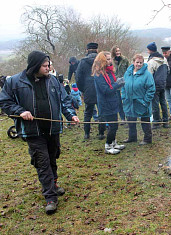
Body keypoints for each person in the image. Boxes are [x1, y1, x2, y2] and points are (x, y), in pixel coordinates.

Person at [0, 51, 80, 215]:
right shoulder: (15, 82)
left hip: (53, 129)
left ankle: (54, 184)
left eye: (48, 65)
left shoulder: (53, 81)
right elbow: (5, 101)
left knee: (52, 158)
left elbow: (64, 100)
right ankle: (50, 197)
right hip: (32, 131)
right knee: (42, 163)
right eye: (45, 65)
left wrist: (71, 114)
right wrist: (20, 111)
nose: (48, 68)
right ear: (35, 66)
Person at [92, 51, 126, 154]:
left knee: (115, 124)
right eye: (107, 59)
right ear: (101, 61)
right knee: (113, 126)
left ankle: (114, 143)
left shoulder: (109, 72)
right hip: (106, 103)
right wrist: (118, 84)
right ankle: (108, 145)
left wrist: (118, 83)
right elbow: (106, 90)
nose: (110, 61)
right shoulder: (99, 75)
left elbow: (112, 85)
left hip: (113, 101)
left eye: (110, 58)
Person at [122, 54, 155, 145]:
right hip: (129, 101)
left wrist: (145, 101)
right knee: (131, 120)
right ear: (133, 62)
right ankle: (132, 137)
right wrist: (124, 97)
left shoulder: (147, 74)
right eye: (137, 62)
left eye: (141, 63)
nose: (139, 64)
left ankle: (147, 139)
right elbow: (123, 86)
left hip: (141, 101)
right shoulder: (128, 73)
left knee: (145, 120)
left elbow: (151, 89)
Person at [76, 42, 105, 140]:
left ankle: (87, 133)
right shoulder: (101, 61)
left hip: (88, 89)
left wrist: (82, 89)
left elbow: (78, 77)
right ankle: (101, 133)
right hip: (101, 88)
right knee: (101, 111)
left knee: (88, 112)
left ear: (87, 50)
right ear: (97, 50)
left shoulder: (82, 62)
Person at [146, 42, 169, 129]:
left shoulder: (151, 62)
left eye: (148, 50)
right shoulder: (164, 59)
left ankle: (156, 122)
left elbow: (148, 75)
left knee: (155, 104)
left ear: (150, 50)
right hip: (163, 84)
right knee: (163, 102)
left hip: (154, 85)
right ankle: (165, 121)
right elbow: (168, 71)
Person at [111, 46, 129, 122]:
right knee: (118, 102)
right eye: (116, 51)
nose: (118, 52)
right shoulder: (111, 61)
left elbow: (129, 70)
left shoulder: (125, 60)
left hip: (125, 83)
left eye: (119, 50)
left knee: (126, 100)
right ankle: (122, 118)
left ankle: (128, 116)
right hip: (116, 84)